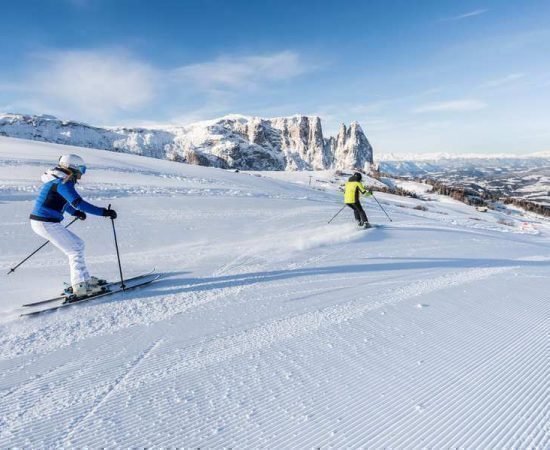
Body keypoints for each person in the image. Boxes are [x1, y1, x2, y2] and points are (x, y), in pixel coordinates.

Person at [29, 154, 117, 297]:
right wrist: (103, 212)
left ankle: (84, 280)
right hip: (45, 222)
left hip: (44, 221)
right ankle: (80, 286)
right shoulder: (63, 182)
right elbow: (79, 203)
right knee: (74, 249)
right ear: (72, 168)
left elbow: (64, 202)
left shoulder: (58, 181)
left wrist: (75, 213)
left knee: (77, 245)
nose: (80, 176)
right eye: (80, 170)